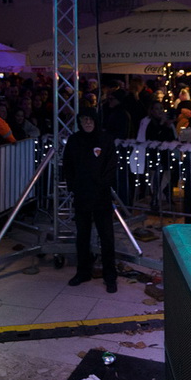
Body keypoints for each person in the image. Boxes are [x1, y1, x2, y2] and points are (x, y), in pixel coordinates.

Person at [62, 112, 118, 293]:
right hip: (82, 195)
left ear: (96, 120)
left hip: (101, 195)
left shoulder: (106, 139)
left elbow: (111, 165)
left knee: (107, 237)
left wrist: (102, 184)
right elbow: (68, 165)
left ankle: (110, 276)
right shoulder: (74, 140)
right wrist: (73, 186)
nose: (87, 123)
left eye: (90, 119)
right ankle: (83, 272)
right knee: (82, 236)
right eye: (83, 120)